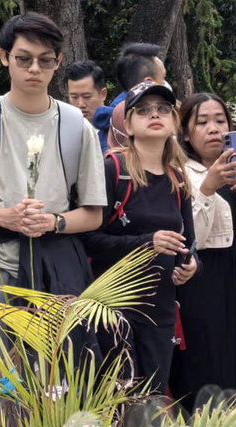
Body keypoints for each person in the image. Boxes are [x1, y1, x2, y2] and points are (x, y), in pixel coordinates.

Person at [0, 12, 105, 349]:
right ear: (4, 57)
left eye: (45, 60)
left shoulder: (77, 127)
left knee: (59, 372)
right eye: (23, 59)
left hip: (58, 269)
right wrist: (3, 217)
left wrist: (53, 221)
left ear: (58, 61)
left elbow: (94, 213)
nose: (34, 69)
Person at [82, 80, 197, 393]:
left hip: (159, 309)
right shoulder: (113, 169)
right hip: (113, 308)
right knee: (115, 401)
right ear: (128, 125)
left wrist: (190, 266)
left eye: (162, 109)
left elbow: (188, 243)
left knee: (150, 401)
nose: (154, 114)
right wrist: (148, 243)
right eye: (143, 110)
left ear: (173, 122)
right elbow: (88, 240)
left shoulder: (178, 178)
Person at [168, 92, 236, 412]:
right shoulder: (180, 173)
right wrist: (207, 188)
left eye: (220, 120)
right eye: (202, 122)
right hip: (203, 284)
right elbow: (190, 239)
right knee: (208, 368)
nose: (213, 129)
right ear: (185, 133)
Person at [93, 43, 165, 153]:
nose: (164, 84)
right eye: (163, 78)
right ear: (148, 82)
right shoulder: (117, 131)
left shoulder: (112, 117)